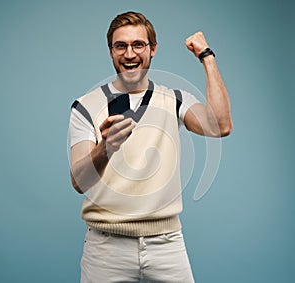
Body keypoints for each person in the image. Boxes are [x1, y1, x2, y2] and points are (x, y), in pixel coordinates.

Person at [68, 11, 232, 283]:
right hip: (105, 249)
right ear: (111, 52)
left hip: (167, 245)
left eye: (138, 45)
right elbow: (78, 181)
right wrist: (105, 148)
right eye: (121, 46)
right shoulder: (86, 106)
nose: (129, 54)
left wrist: (208, 57)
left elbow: (221, 126)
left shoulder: (176, 99)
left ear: (153, 49)